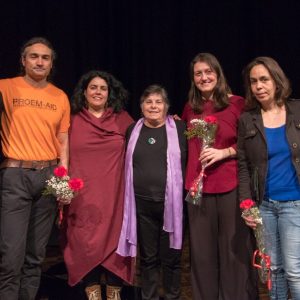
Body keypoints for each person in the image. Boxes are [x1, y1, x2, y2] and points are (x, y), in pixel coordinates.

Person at [181, 53, 258, 300]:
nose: (204, 77)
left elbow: (251, 145)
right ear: (193, 79)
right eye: (198, 73)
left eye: (208, 72)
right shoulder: (190, 108)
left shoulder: (237, 104)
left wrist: (224, 152)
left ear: (218, 73)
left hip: (230, 185)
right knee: (202, 256)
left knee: (233, 253)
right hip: (198, 189)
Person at [0, 37, 70, 300]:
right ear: (23, 60)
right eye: (34, 56)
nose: (40, 61)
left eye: (45, 58)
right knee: (11, 256)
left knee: (35, 256)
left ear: (51, 64)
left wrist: (63, 178)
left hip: (49, 177)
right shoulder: (6, 88)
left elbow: (62, 140)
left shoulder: (59, 96)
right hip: (15, 175)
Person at [62, 70, 134, 300]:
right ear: (84, 92)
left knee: (115, 242)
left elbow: (144, 136)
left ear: (109, 93)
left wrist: (169, 125)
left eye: (103, 88)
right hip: (81, 197)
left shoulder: (121, 118)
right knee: (84, 243)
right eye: (93, 87)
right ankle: (92, 292)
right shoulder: (71, 119)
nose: (98, 92)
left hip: (115, 196)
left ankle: (114, 294)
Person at [238, 56, 300, 300]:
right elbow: (243, 165)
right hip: (264, 205)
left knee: (294, 271)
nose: (259, 86)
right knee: (273, 270)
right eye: (254, 82)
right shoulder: (247, 119)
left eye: (264, 79)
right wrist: (246, 205)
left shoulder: (296, 110)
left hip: (294, 205)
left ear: (276, 80)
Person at [117, 84, 187, 300]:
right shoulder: (133, 130)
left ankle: (172, 296)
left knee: (172, 259)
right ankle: (149, 297)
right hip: (142, 205)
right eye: (149, 102)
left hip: (172, 205)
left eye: (158, 102)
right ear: (141, 106)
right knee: (148, 258)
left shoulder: (180, 129)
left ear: (166, 106)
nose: (153, 106)